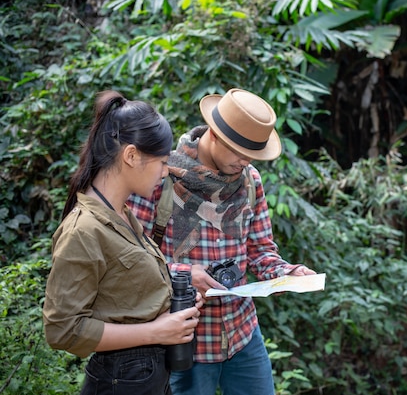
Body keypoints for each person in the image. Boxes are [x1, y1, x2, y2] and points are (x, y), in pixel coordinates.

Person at [126, 88, 316, 395]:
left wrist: (285, 274)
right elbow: (132, 259)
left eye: (251, 155)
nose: (245, 162)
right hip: (185, 339)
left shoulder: (250, 180)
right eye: (239, 152)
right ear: (214, 134)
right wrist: (186, 275)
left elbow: (260, 249)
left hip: (242, 332)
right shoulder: (160, 177)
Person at [43, 90, 202, 395]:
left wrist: (177, 296)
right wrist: (154, 331)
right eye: (162, 162)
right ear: (131, 156)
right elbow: (62, 330)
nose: (165, 172)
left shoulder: (122, 214)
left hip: (147, 376)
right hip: (121, 380)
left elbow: (125, 288)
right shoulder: (84, 230)